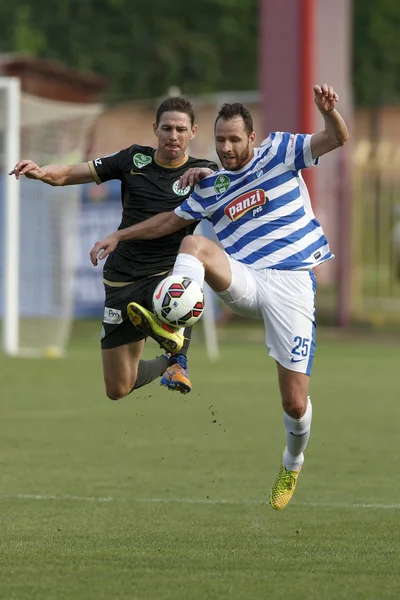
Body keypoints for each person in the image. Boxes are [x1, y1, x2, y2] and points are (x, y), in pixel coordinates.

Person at [90, 83, 349, 509]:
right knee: (193, 246)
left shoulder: (281, 151)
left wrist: (329, 113)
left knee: (294, 400)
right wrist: (120, 234)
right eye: (220, 140)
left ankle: (292, 460)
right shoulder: (210, 187)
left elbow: (337, 138)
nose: (226, 148)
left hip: (292, 285)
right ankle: (173, 332)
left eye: (234, 139)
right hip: (246, 279)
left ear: (252, 137)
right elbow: (167, 222)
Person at [9, 96, 218, 399]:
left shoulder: (203, 172)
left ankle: (177, 360)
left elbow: (232, 184)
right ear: (155, 130)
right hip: (121, 280)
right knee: (118, 388)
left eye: (181, 129)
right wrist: (41, 172)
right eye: (167, 128)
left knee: (185, 285)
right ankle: (164, 360)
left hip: (164, 276)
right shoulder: (133, 159)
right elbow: (70, 173)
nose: (174, 135)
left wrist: (211, 177)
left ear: (193, 132)